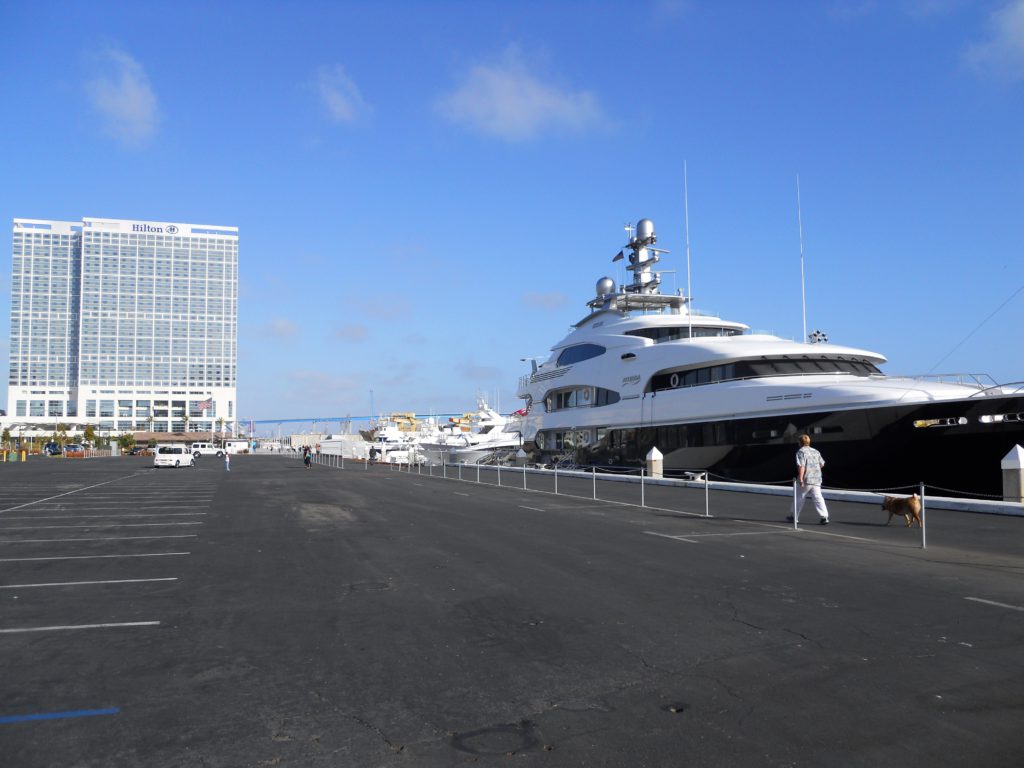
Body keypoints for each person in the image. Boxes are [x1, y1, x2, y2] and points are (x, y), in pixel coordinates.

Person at [789, 434, 829, 525]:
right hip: (817, 478)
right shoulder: (816, 451)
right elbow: (822, 464)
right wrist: (814, 469)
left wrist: (801, 478)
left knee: (799, 497)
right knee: (818, 498)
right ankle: (824, 516)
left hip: (807, 478)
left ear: (800, 442)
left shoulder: (800, 452)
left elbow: (801, 466)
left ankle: (794, 517)